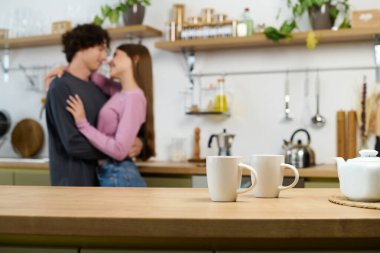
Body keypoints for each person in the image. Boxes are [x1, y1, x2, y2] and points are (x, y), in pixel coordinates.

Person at [46, 24, 143, 186]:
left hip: (104, 180)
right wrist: (119, 150)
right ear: (81, 47)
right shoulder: (61, 87)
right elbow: (73, 143)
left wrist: (138, 142)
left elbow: (121, 124)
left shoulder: (99, 87)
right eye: (100, 49)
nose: (104, 57)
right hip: (74, 184)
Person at [66, 44, 155, 187]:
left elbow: (120, 151)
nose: (109, 60)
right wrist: (65, 69)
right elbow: (92, 75)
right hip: (112, 173)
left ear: (135, 59)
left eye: (116, 55)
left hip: (119, 175)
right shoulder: (119, 92)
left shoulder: (134, 98)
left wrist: (83, 124)